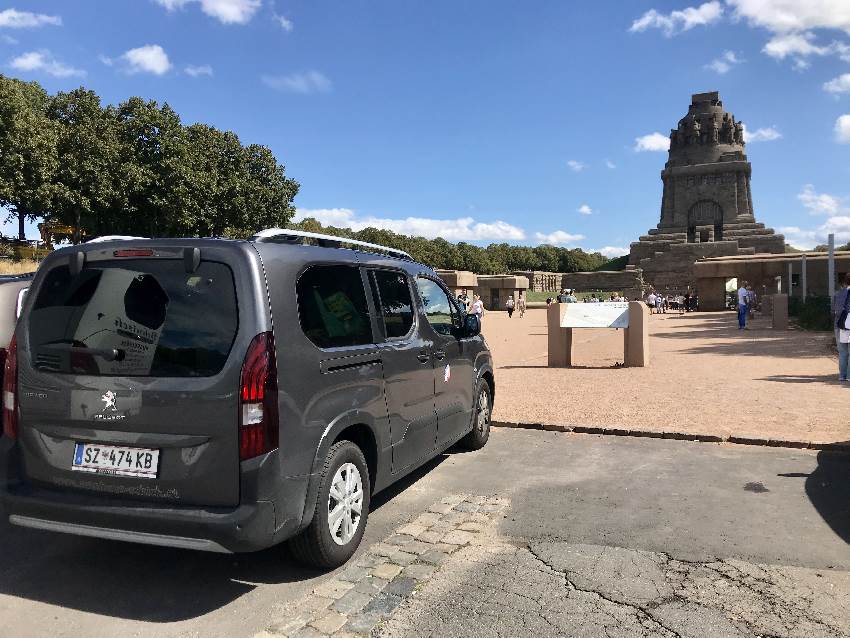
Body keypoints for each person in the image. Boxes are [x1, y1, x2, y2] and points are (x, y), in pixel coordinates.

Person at [832, 272, 850, 381]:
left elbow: (833, 311)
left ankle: (842, 375)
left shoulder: (838, 294)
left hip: (839, 325)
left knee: (842, 352)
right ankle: (849, 376)